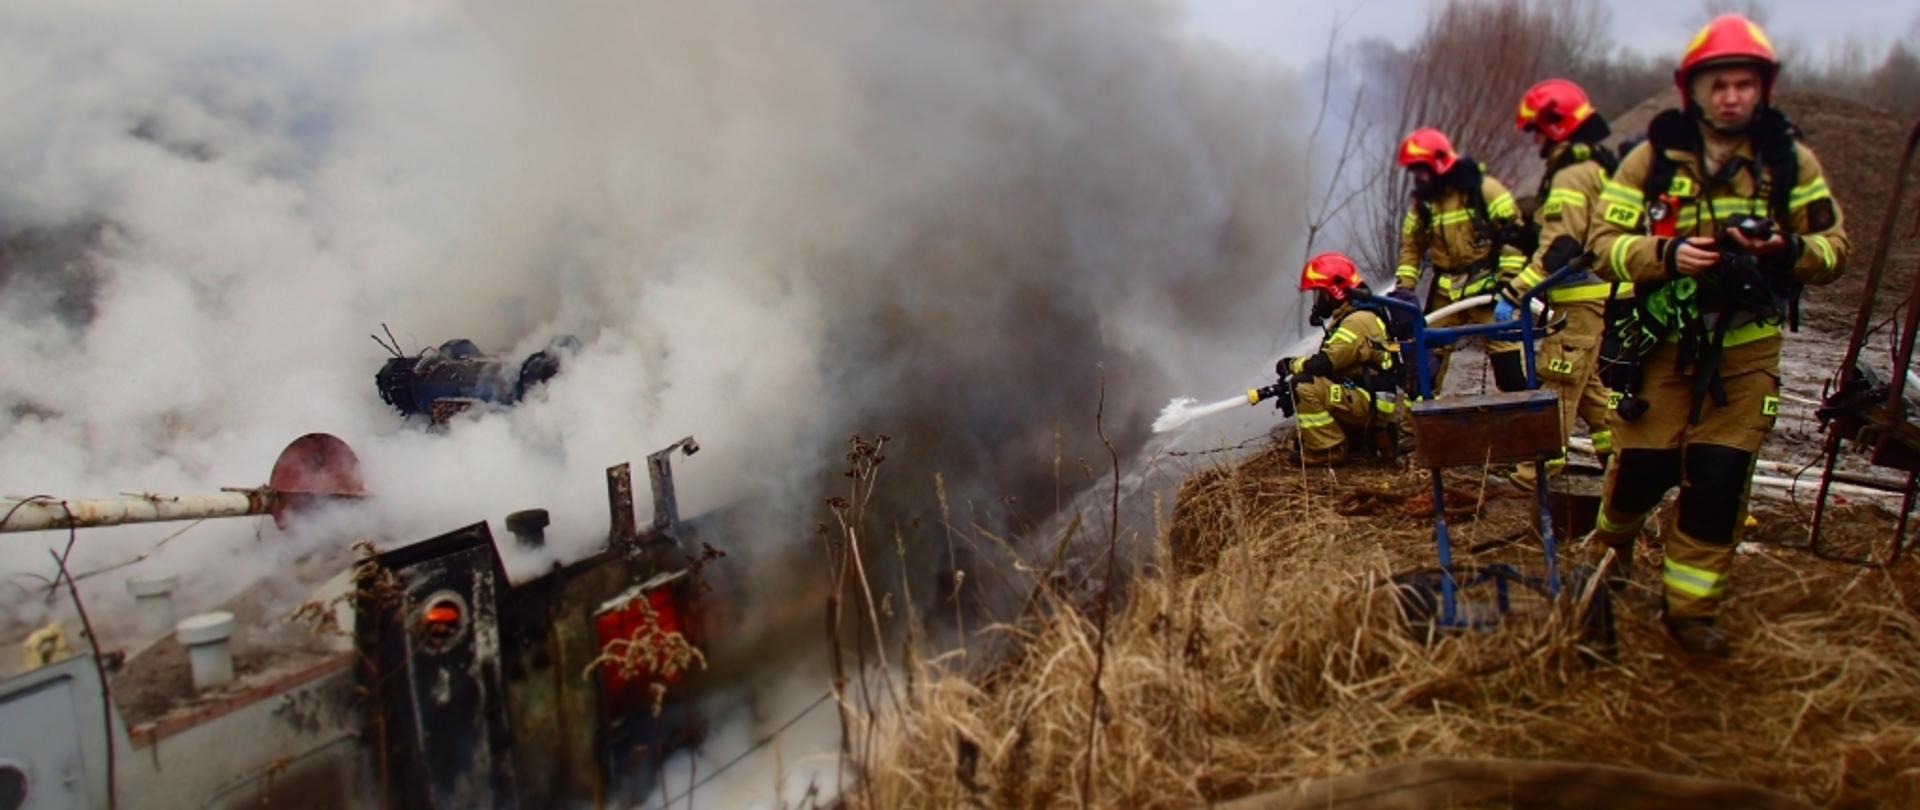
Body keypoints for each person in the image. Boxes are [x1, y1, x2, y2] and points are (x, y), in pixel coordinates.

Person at [1583, 13, 1849, 657]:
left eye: (1744, 84)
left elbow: (1836, 249)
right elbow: (1601, 246)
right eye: (1719, 84)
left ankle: (1690, 613)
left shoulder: (1790, 163)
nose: (1731, 96)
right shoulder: (1652, 159)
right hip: (1665, 346)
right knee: (1640, 473)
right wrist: (1667, 255)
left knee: (1719, 478)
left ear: (1763, 89)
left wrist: (1786, 249)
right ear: (1693, 89)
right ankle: (1607, 554)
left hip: (1745, 348)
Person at [1505, 78, 1629, 489]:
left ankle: (1536, 469)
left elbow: (1560, 247)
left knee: (1557, 380)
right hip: (1594, 297)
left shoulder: (1573, 174)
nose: (1535, 140)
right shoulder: (1591, 165)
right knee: (1589, 386)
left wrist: (1514, 292)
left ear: (1555, 126)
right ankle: (1619, 459)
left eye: (1537, 130)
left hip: (1580, 298)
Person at [1392, 127, 1531, 396]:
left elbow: (1515, 239)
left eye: (1422, 170)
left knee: (1510, 369)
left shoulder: (1485, 190)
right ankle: (1417, 431)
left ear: (1440, 164)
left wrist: (1506, 284)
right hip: (1446, 292)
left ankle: (1522, 425)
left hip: (1487, 289)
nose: (1418, 178)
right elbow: (1411, 247)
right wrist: (1405, 288)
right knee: (1424, 366)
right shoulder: (1424, 205)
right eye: (1415, 172)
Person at [1266, 252, 1401, 466]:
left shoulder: (1358, 321)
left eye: (1320, 293)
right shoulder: (1352, 315)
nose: (1318, 301)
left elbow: (1325, 363)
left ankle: (1329, 451)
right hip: (1365, 395)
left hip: (1369, 402)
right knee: (1302, 435)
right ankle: (1361, 440)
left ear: (1334, 291)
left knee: (1303, 385)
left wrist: (1290, 365)